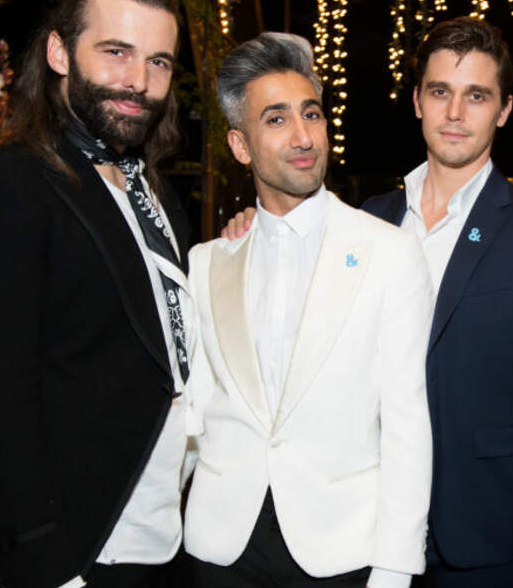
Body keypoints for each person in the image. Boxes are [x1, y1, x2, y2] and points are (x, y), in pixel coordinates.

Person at [0, 0, 193, 587]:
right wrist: (46, 569)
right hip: (75, 557)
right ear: (59, 52)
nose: (138, 81)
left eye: (158, 61)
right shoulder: (8, 187)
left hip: (165, 547)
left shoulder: (160, 197)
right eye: (115, 52)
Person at [183, 32, 433, 587]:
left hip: (340, 552)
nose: (303, 137)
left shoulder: (389, 253)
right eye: (276, 119)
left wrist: (394, 569)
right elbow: (191, 415)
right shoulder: (208, 263)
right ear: (240, 146)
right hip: (221, 551)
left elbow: (408, 424)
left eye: (311, 114)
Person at [360, 16, 513, 588]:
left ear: (504, 110)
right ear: (417, 100)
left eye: (477, 96)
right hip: (366, 528)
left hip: (484, 540)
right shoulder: (368, 221)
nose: (456, 113)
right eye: (441, 92)